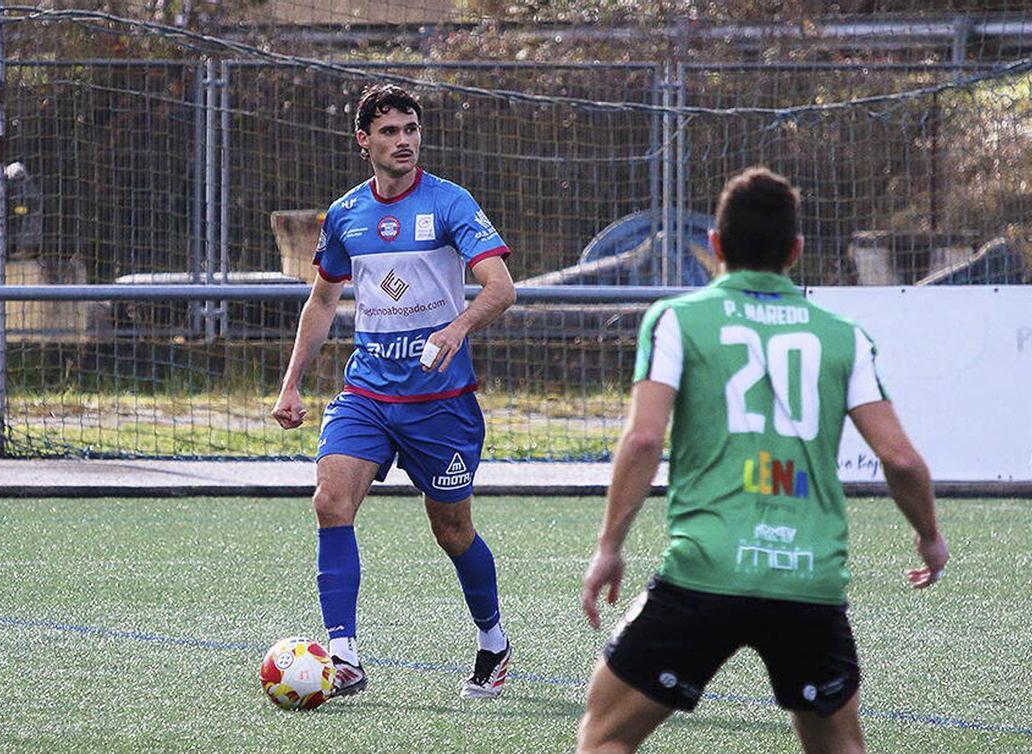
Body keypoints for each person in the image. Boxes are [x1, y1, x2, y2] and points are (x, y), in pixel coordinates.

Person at [575, 167, 950, 753]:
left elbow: (644, 439)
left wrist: (609, 548)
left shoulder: (677, 320)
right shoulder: (842, 336)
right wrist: (929, 536)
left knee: (605, 738)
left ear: (716, 245)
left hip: (705, 571)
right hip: (807, 578)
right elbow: (900, 459)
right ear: (795, 251)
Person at [272, 84, 517, 700]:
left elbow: (501, 287)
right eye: (389, 131)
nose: (403, 141)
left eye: (410, 129)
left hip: (441, 402)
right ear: (364, 141)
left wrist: (457, 328)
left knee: (452, 530)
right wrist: (292, 382)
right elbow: (322, 301)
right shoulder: (345, 214)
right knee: (330, 501)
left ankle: (492, 641)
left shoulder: (450, 202)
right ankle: (344, 657)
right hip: (368, 394)